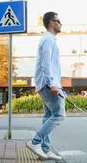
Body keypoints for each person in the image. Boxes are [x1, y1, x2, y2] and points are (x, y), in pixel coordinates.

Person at [26, 12, 65, 160]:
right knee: (59, 115)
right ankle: (35, 142)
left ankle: (45, 150)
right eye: (58, 21)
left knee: (49, 115)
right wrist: (52, 84)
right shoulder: (48, 39)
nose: (61, 23)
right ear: (51, 23)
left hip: (47, 84)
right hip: (49, 85)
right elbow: (46, 64)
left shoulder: (50, 40)